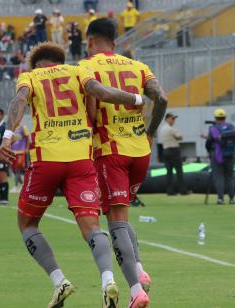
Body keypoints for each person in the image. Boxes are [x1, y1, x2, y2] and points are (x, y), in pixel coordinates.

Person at [0, 42, 147, 308]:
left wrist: (8, 137)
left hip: (47, 160)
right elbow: (97, 97)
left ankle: (60, 282)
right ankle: (108, 280)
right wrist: (136, 99)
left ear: (37, 64)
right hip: (81, 160)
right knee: (92, 228)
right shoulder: (78, 71)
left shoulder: (30, 77)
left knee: (27, 224)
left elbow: (19, 100)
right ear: (59, 59)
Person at [80, 17, 169, 307]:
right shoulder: (138, 66)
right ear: (115, 42)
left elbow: (97, 97)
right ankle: (140, 270)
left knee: (115, 221)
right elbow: (162, 99)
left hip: (111, 152)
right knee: (124, 216)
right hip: (140, 151)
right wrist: (151, 133)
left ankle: (136, 292)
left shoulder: (87, 65)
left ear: (91, 41)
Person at [202, 109, 235, 205]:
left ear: (216, 118)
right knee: (230, 177)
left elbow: (208, 143)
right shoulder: (231, 127)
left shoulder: (213, 128)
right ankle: (232, 199)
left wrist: (209, 151)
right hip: (230, 154)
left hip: (217, 154)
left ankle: (220, 199)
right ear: (224, 117)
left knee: (218, 176)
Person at [160, 113, 188, 196]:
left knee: (169, 172)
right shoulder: (170, 129)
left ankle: (170, 191)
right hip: (174, 151)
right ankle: (183, 190)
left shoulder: (162, 129)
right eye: (172, 118)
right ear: (167, 119)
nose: (173, 120)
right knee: (179, 171)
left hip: (165, 151)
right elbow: (180, 137)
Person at [9, 123, 29, 193]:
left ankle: (16, 186)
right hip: (12, 152)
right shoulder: (11, 127)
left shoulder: (23, 127)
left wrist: (27, 148)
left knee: (18, 169)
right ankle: (22, 186)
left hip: (20, 152)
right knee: (14, 170)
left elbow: (27, 137)